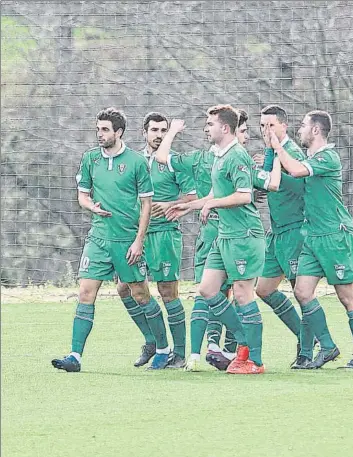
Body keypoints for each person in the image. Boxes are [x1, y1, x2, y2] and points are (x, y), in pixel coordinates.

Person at [155, 109, 281, 371]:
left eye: (210, 124)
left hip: (244, 236)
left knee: (243, 294)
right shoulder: (217, 156)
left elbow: (244, 196)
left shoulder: (237, 156)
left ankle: (254, 361)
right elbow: (215, 193)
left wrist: (211, 204)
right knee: (207, 289)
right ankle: (246, 339)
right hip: (224, 236)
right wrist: (186, 206)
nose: (205, 129)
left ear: (225, 129)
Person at [52, 107, 169, 372]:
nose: (100, 134)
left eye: (105, 129)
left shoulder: (137, 162)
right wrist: (91, 206)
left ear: (119, 132)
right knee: (85, 292)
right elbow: (82, 195)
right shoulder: (90, 159)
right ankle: (75, 356)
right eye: (98, 129)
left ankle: (162, 348)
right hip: (99, 238)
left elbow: (147, 205)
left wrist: (139, 241)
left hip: (127, 240)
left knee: (140, 294)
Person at [272, 110, 353, 369]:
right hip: (313, 236)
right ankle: (327, 347)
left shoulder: (327, 157)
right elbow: (290, 181)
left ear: (316, 130)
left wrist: (276, 146)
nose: (300, 129)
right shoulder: (311, 158)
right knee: (302, 292)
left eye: (303, 125)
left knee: (346, 296)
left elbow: (294, 170)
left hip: (335, 235)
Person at [119, 112, 197, 369]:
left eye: (164, 130)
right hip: (135, 236)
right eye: (154, 130)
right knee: (124, 288)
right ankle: (153, 340)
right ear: (144, 132)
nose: (159, 135)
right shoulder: (133, 161)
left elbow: (192, 196)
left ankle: (179, 353)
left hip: (164, 235)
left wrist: (171, 203)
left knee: (167, 292)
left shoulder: (174, 162)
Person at [252, 105, 307, 363]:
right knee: (263, 289)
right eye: (262, 126)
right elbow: (264, 188)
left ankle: (310, 348)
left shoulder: (292, 153)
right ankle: (305, 335)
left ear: (284, 126)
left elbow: (299, 186)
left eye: (270, 125)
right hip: (276, 233)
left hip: (295, 230)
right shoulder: (269, 151)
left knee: (302, 292)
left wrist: (272, 176)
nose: (265, 130)